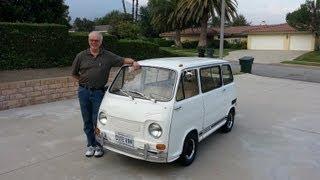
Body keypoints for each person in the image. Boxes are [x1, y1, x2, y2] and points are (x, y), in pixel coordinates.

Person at [71, 31, 140, 157]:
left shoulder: (108, 56)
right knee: (86, 120)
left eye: (96, 40)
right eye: (92, 40)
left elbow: (124, 60)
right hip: (84, 92)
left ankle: (99, 146)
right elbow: (74, 73)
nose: (94, 42)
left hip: (98, 92)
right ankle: (90, 145)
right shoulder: (81, 56)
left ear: (101, 42)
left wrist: (134, 62)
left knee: (97, 120)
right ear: (88, 41)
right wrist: (84, 82)